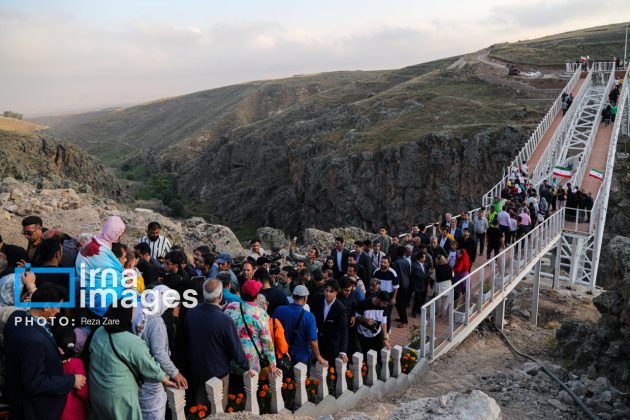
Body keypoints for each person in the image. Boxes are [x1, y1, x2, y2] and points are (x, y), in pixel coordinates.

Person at [4, 284, 86, 420]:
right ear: (46, 306)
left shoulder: (17, 317)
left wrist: (52, 352)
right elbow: (34, 382)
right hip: (34, 410)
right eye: (57, 306)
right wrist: (71, 381)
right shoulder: (34, 340)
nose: (59, 311)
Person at [88, 302, 176, 419]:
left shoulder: (98, 332)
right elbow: (148, 365)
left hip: (96, 392)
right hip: (120, 398)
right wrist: (164, 378)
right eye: (132, 311)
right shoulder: (132, 341)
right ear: (125, 314)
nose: (134, 314)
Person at [183, 279, 253, 410]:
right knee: (218, 407)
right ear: (220, 296)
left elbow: (187, 339)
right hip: (218, 371)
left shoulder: (191, 313)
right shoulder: (225, 319)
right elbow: (235, 348)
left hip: (197, 370)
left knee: (200, 407)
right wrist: (246, 366)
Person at [136, 286, 188, 420]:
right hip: (153, 378)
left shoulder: (140, 311)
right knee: (154, 414)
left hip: (139, 375)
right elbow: (159, 353)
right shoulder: (156, 321)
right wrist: (175, 373)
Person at [75, 215, 126, 317]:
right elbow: (114, 276)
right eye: (121, 234)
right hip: (101, 303)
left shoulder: (93, 242)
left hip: (86, 295)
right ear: (116, 234)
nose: (122, 237)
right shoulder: (102, 251)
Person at [224, 280, 278, 373]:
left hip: (232, 358)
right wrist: (272, 363)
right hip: (251, 363)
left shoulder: (230, 307)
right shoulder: (261, 314)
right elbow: (267, 341)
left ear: (241, 293)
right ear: (256, 296)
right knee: (251, 386)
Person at [273, 285, 328, 369]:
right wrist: (318, 356)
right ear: (305, 298)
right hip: (301, 358)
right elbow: (313, 340)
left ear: (293, 296)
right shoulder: (309, 317)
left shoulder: (279, 310)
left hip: (282, 355)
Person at [309, 279, 349, 366]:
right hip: (318, 342)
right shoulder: (318, 299)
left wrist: (343, 351)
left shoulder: (340, 309)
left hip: (332, 345)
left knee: (331, 370)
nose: (328, 294)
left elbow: (344, 330)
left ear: (336, 293)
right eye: (326, 290)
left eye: (331, 291)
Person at [53, 327, 89, 420]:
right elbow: (82, 391)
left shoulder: (51, 363)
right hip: (75, 413)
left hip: (56, 411)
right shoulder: (77, 363)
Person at [355, 291, 391, 362]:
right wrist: (365, 319)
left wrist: (385, 338)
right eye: (384, 303)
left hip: (377, 335)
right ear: (379, 299)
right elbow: (356, 316)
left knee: (379, 356)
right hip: (363, 336)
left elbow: (384, 323)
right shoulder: (364, 303)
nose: (385, 306)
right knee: (365, 358)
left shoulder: (385, 307)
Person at [372, 256, 399, 334]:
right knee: (378, 313)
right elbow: (374, 284)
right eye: (381, 262)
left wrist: (393, 298)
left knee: (387, 314)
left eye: (385, 262)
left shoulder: (393, 273)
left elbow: (396, 287)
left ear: (389, 264)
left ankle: (387, 331)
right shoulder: (376, 272)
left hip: (388, 296)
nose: (382, 264)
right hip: (378, 295)